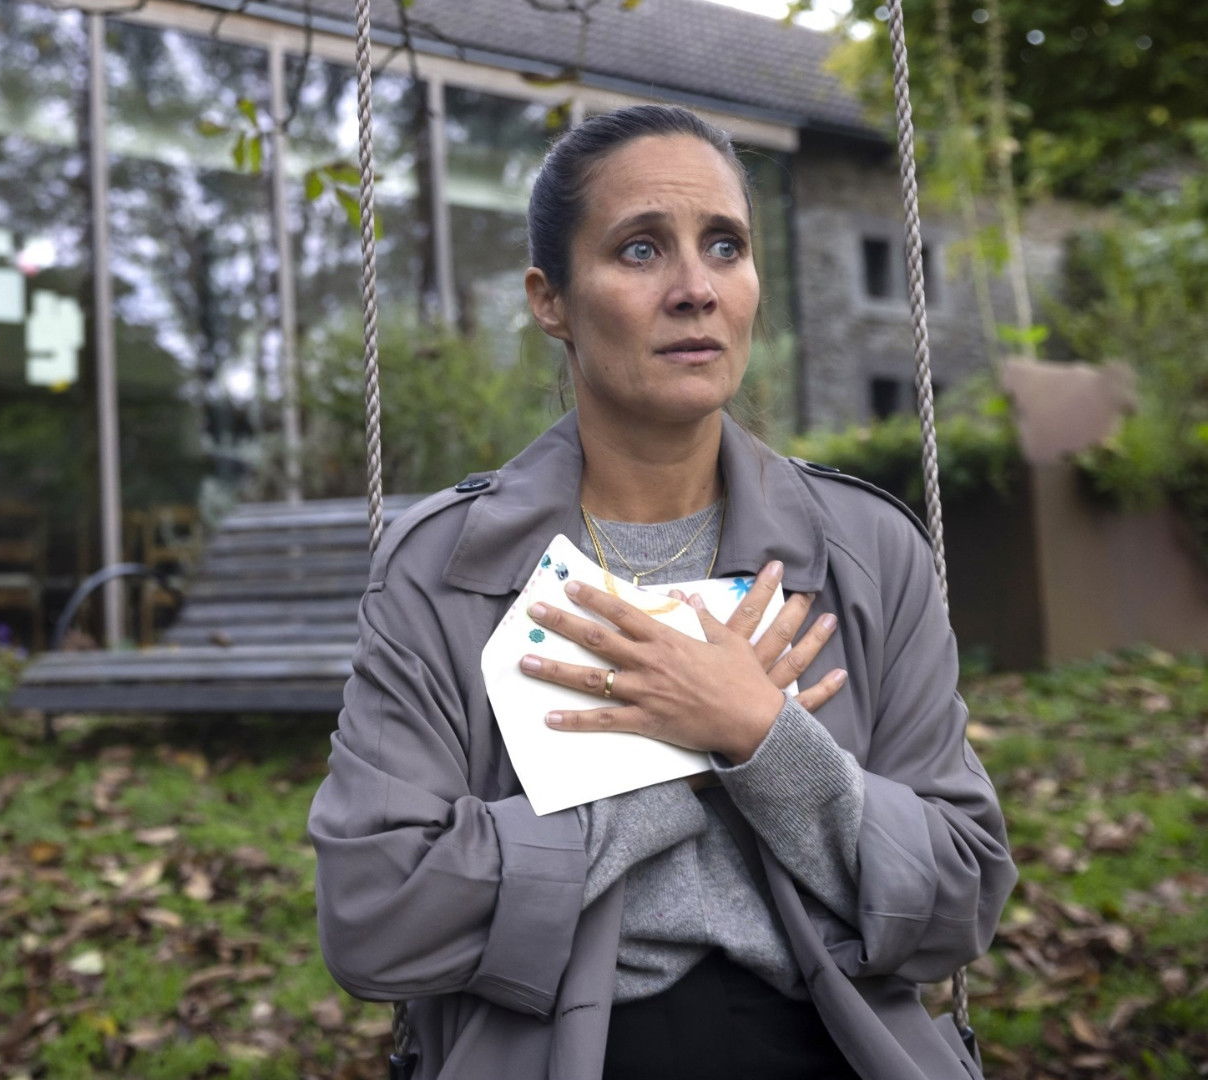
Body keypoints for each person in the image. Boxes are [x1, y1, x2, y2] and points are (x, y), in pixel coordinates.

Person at [307, 104, 1015, 1080]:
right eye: (640, 250)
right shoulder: (443, 570)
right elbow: (375, 918)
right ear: (551, 301)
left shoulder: (869, 551)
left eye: (725, 246)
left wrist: (763, 737)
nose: (695, 289)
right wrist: (680, 755)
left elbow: (962, 895)